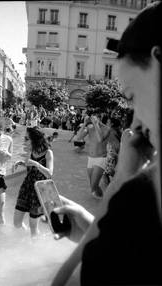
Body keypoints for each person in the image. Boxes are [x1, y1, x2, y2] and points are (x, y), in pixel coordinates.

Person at [52, 3, 161, 284]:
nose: (135, 122)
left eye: (132, 95)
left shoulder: (144, 193)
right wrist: (99, 228)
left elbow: (65, 282)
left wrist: (121, 183)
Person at [13, 127, 54, 236]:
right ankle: (26, 240)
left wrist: (36, 164)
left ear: (34, 140)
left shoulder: (48, 153)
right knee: (16, 223)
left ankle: (34, 247)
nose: (24, 141)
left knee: (33, 227)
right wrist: (21, 163)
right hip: (26, 188)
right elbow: (29, 164)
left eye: (26, 139)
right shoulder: (30, 152)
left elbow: (49, 174)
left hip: (39, 190)